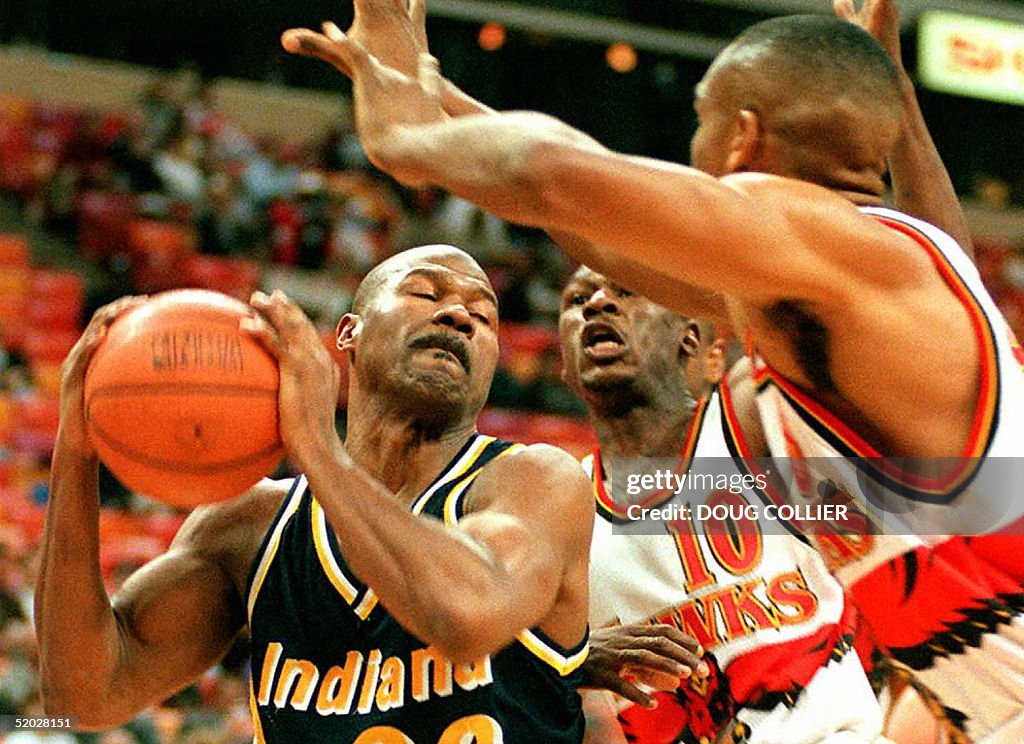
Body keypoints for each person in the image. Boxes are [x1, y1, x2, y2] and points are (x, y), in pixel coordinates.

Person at [281, 0, 1024, 740]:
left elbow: (556, 172)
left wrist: (403, 136)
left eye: (697, 121)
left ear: (740, 138)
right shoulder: (866, 290)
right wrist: (429, 87)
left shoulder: (823, 260)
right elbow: (596, 230)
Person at [34, 245, 594, 743]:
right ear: (348, 333)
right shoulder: (249, 526)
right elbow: (84, 697)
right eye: (425, 292)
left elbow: (467, 617)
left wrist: (319, 447)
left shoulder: (534, 482)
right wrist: (76, 451)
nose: (458, 315)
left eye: (484, 316)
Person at [561, 267, 882, 743]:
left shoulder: (749, 420)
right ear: (564, 364)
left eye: (627, 291)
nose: (597, 304)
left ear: (689, 337)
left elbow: (919, 325)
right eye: (576, 299)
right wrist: (573, 661)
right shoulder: (561, 503)